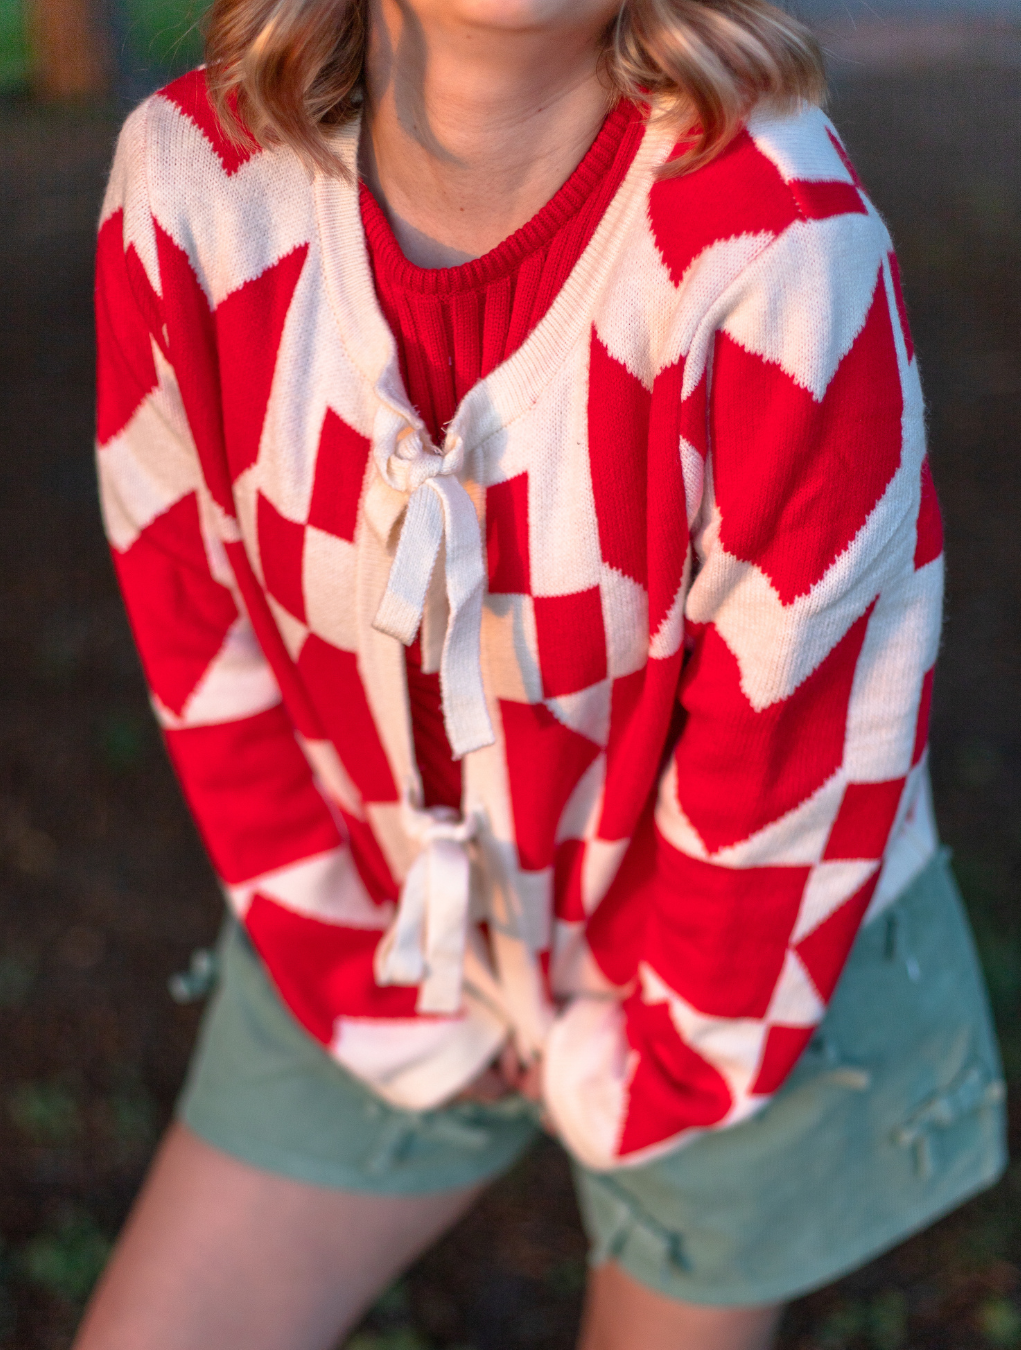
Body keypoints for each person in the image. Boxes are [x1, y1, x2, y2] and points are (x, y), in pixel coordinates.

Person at [79, 0, 1007, 1342]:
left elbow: (796, 751)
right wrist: (372, 987)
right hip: (363, 911)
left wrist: (635, 1070)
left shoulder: (780, 244)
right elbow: (197, 634)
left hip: (735, 973)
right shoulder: (193, 190)